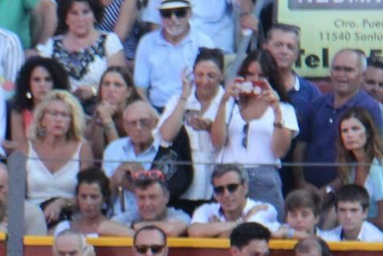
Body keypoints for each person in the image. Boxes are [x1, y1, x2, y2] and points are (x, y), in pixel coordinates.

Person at [209, 48, 295, 213]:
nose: (255, 80)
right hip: (229, 178)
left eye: (261, 76)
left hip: (263, 176)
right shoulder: (230, 104)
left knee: (268, 228)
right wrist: (223, 102)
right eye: (250, 74)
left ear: (271, 77)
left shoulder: (285, 109)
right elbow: (216, 142)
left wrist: (277, 111)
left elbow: (280, 151)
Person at [296, 49, 383, 192]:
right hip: (308, 193)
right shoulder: (317, 104)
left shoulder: (369, 109)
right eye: (337, 68)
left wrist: (328, 191)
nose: (341, 75)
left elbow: (366, 158)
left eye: (348, 70)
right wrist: (300, 182)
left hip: (347, 197)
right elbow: (301, 145)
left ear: (362, 76)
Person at [157, 44, 225, 206]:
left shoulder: (229, 102)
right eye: (199, 75)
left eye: (211, 75)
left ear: (221, 76)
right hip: (182, 177)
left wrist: (210, 128)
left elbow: (220, 142)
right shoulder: (177, 99)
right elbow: (166, 135)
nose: (204, 81)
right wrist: (184, 96)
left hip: (216, 178)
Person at [35, 0, 124, 105]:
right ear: (65, 18)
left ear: (94, 15)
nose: (80, 19)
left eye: (85, 12)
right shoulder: (51, 46)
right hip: (61, 109)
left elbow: (119, 83)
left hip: (101, 107)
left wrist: (94, 92)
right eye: (74, 13)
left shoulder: (109, 41)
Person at [134, 0, 213, 111]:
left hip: (193, 108)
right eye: (167, 13)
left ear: (190, 14)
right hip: (156, 109)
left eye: (180, 12)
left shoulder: (203, 42)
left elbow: (211, 85)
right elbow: (140, 89)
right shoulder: (147, 43)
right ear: (161, 16)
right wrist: (153, 115)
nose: (173, 18)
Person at [26, 90, 92, 228]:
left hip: (70, 220)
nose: (59, 119)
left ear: (72, 121)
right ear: (42, 119)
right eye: (53, 114)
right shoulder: (26, 148)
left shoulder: (83, 149)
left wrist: (61, 203)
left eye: (65, 115)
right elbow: (15, 196)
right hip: (31, 220)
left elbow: (89, 195)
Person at [101, 98, 170, 217]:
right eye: (132, 123)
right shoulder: (114, 149)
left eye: (144, 122)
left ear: (156, 122)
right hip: (119, 218)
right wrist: (120, 171)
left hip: (156, 217)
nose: (138, 128)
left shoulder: (166, 150)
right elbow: (104, 199)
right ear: (125, 127)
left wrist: (133, 184)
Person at [187, 163, 278, 236]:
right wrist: (240, 222)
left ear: (245, 188)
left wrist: (214, 232)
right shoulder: (206, 209)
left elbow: (245, 233)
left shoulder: (263, 209)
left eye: (232, 187)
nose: (226, 194)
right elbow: (194, 231)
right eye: (219, 190)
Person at [329, 105, 383, 224]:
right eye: (345, 130)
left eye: (355, 129)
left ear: (368, 132)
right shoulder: (350, 166)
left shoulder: (378, 164)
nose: (350, 135)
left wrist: (355, 225)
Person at [6, 56, 71, 152]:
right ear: (28, 84)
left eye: (47, 80)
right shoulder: (18, 112)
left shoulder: (68, 109)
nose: (42, 85)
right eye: (37, 80)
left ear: (55, 83)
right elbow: (19, 151)